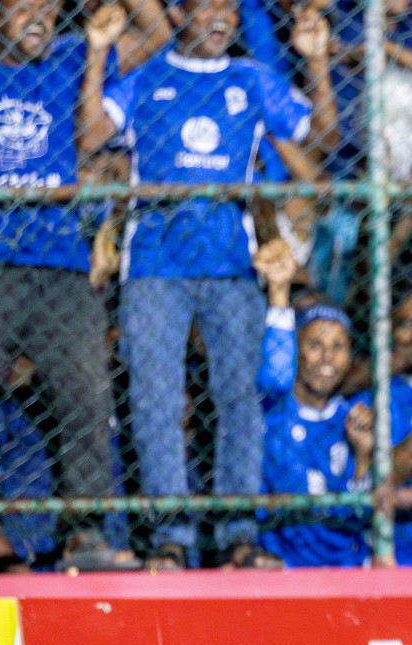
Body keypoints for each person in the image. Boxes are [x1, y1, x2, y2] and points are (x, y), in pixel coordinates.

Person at [0, 0, 166, 574]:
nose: (40, 14)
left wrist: (102, 32)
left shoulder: (74, 61)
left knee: (88, 396)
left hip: (59, 270)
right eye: (24, 7)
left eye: (48, 7)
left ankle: (84, 535)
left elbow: (158, 31)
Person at [76, 0, 338, 569]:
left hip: (231, 267)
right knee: (154, 400)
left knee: (241, 399)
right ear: (178, 14)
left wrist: (316, 63)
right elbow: (93, 134)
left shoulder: (253, 79)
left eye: (229, 7)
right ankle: (172, 537)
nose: (220, 17)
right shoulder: (147, 78)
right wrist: (98, 53)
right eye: (206, 6)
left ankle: (239, 538)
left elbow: (320, 140)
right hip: (153, 266)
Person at [252, 241, 373, 568]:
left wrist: (363, 458)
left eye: (337, 347)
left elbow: (359, 516)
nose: (327, 358)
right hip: (282, 567)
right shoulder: (274, 408)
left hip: (346, 569)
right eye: (315, 345)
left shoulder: (355, 416)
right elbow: (277, 374)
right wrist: (279, 293)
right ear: (296, 349)